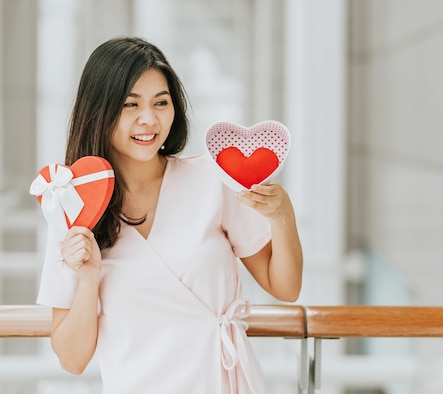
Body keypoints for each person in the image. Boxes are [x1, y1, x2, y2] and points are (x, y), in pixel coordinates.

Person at [35, 36, 303, 394]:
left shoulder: (212, 180)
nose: (149, 119)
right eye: (130, 105)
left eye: (161, 102)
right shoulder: (70, 204)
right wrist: (88, 280)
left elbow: (285, 287)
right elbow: (72, 359)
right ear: (98, 111)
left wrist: (282, 216)